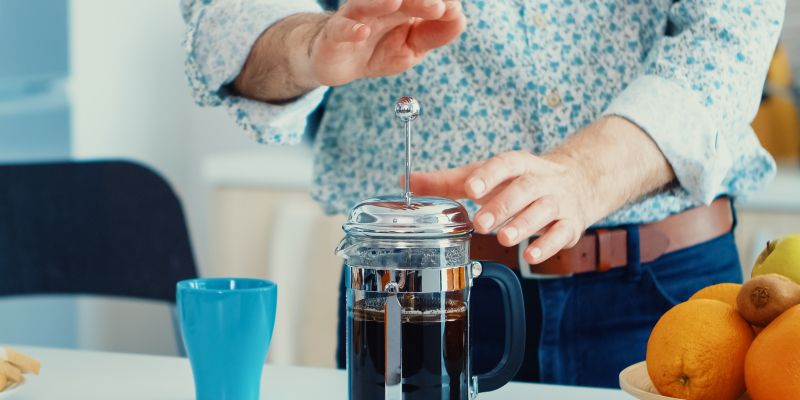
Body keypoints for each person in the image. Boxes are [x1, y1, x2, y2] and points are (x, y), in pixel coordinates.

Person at [180, 0, 785, 388]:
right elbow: (226, 13)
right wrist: (307, 44)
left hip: (675, 299)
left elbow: (731, 31)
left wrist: (584, 175)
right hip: (413, 297)